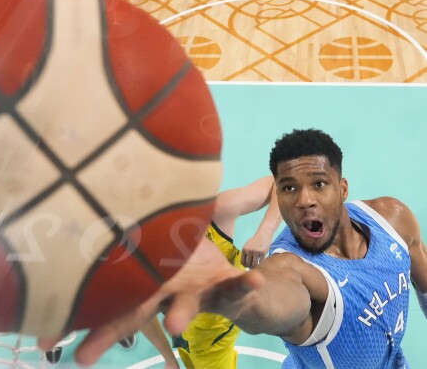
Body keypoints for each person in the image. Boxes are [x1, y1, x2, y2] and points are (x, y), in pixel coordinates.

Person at [46, 128, 427, 368]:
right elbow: (264, 301)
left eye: (319, 185)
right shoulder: (291, 270)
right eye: (289, 188)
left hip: (212, 339)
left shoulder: (391, 218)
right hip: (192, 329)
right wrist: (212, 293)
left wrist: (262, 233)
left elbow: (424, 284)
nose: (305, 200)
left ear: (342, 188)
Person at [138, 175, 281, 369]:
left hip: (215, 336)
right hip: (182, 335)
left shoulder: (216, 213)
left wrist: (265, 232)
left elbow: (281, 181)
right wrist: (169, 358)